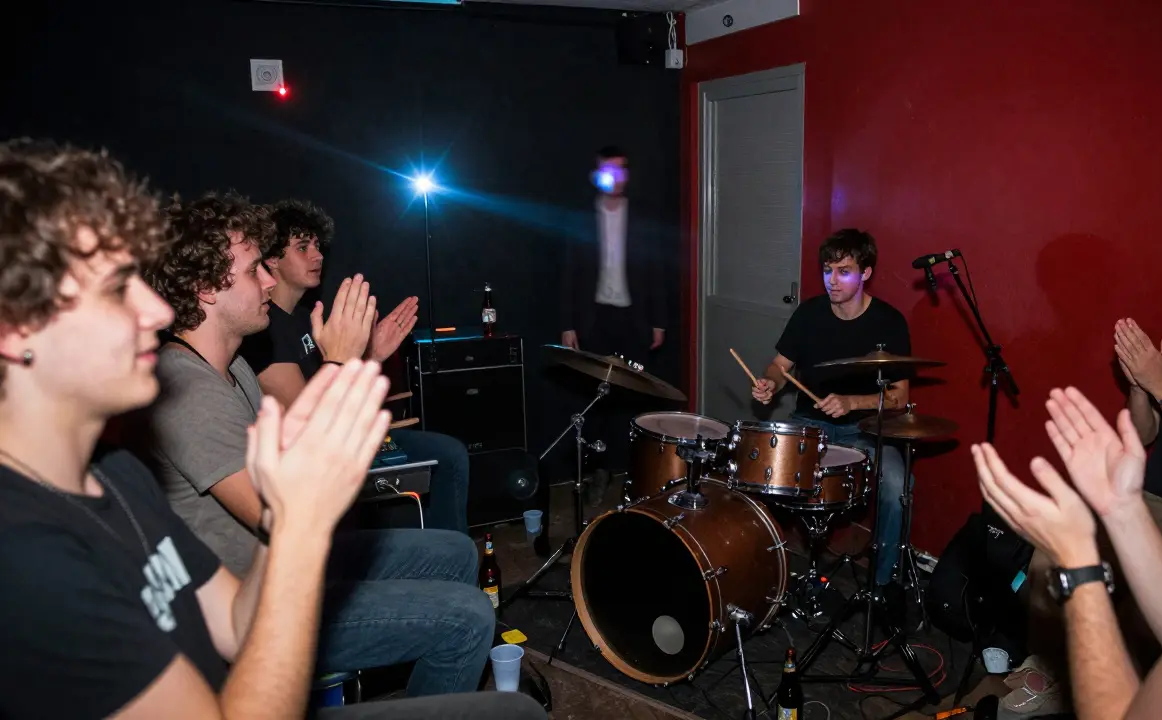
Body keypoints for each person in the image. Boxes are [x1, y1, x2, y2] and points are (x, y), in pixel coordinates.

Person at [0, 138, 545, 720]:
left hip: (261, 622)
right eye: (114, 288)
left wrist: (296, 512)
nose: (154, 311)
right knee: (479, 643)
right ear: (16, 328)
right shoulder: (27, 555)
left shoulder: (120, 477)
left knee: (455, 560)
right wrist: (302, 506)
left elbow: (239, 620)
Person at [139, 191, 495, 697]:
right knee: (469, 617)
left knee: (458, 553)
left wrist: (358, 359)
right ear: (204, 289)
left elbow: (296, 461)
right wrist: (339, 364)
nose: (268, 280)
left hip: (294, 566)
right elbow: (279, 511)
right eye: (252, 271)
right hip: (264, 609)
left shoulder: (234, 368)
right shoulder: (185, 389)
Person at [972, 218, 1162, 719]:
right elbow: (1145, 434)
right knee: (1043, 559)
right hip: (1149, 498)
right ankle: (1047, 670)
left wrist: (1084, 567)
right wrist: (1139, 389)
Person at [238, 198, 470, 533]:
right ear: (272, 259)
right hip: (315, 459)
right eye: (303, 247)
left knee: (451, 454)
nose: (317, 256)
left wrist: (373, 356)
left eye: (318, 246)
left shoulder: (305, 317)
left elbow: (340, 396)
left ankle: (441, 557)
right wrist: (357, 360)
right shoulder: (264, 329)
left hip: (343, 438)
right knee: (447, 458)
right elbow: (313, 420)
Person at [750, 228, 912, 587]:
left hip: (866, 430)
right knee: (762, 467)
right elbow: (779, 365)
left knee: (897, 485)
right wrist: (770, 384)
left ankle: (882, 586)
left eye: (844, 271)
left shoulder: (889, 322)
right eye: (827, 270)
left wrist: (853, 402)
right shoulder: (809, 314)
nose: (832, 281)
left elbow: (900, 396)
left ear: (865, 272)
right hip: (811, 423)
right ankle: (762, 572)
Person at [559, 145, 671, 487]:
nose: (616, 177)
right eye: (609, 170)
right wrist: (567, 323)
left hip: (633, 320)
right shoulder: (581, 216)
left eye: (622, 169)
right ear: (597, 176)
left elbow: (656, 270)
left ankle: (635, 471)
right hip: (595, 320)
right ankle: (599, 471)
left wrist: (659, 320)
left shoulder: (641, 215)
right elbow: (569, 273)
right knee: (596, 400)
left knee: (634, 398)